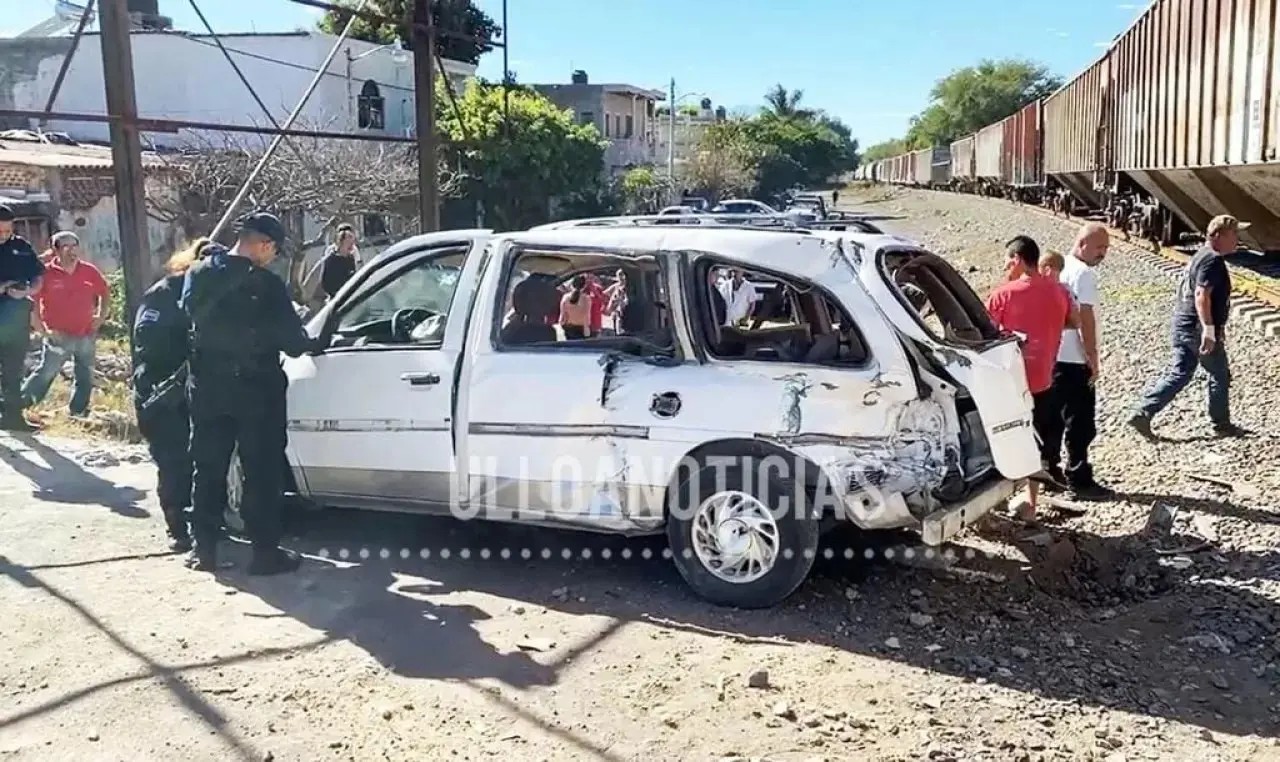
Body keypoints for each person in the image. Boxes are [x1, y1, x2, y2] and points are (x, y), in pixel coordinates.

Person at [180, 212, 318, 574]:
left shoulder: (197, 273)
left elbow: (189, 317)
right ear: (264, 244)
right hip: (257, 391)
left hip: (208, 388)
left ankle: (203, 551)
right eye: (273, 249)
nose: (272, 256)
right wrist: (311, 339)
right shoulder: (267, 285)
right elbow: (292, 342)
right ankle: (265, 554)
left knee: (207, 468)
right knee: (262, 472)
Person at [132, 237, 219, 551]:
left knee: (207, 460)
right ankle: (178, 527)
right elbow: (149, 343)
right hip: (164, 392)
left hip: (205, 392)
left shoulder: (223, 295)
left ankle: (207, 523)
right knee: (174, 461)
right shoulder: (166, 294)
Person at [1128, 215, 1249, 439]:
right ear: (1218, 235)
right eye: (1234, 234)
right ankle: (1221, 424)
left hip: (1184, 324)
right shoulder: (1212, 260)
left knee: (1181, 373)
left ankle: (1142, 412)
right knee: (1219, 374)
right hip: (1196, 329)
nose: (1237, 240)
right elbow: (1202, 294)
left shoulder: (1200, 256)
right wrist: (1209, 330)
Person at [986, 236, 1073, 522]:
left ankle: (996, 498)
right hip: (1044, 382)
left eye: (1007, 261)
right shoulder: (1059, 291)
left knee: (999, 441)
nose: (1005, 266)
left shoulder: (1003, 294)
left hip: (1011, 386)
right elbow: (1072, 321)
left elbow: (983, 336)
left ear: (1017, 260)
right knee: (1035, 446)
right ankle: (1031, 505)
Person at [1041, 222, 1111, 499]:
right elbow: (1086, 320)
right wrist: (1093, 358)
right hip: (1074, 359)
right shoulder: (1082, 274)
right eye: (1099, 248)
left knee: (1053, 419)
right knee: (1081, 422)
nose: (1103, 254)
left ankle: (1049, 471)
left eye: (1106, 248)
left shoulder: (1060, 268)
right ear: (1082, 244)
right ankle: (1079, 478)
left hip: (1052, 357)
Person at [22, 231, 110, 418]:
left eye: (74, 246)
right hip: (58, 335)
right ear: (56, 250)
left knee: (85, 375)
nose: (72, 251)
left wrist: (100, 317)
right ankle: (20, 407)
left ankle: (78, 411)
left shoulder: (89, 271)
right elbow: (33, 301)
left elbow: (104, 292)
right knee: (46, 373)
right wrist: (38, 325)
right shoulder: (45, 273)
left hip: (86, 333)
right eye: (66, 246)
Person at [0, 204, 44, 432]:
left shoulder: (21, 246)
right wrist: (4, 287)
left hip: (17, 319)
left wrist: (26, 291)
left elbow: (38, 276)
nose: (4, 236)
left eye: (7, 231)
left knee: (14, 370)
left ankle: (12, 418)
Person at [559, 275, 593, 339]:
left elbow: (562, 317)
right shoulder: (586, 299)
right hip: (581, 329)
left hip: (569, 328)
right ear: (584, 286)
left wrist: (563, 325)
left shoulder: (565, 297)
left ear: (572, 284)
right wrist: (587, 331)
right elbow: (586, 317)